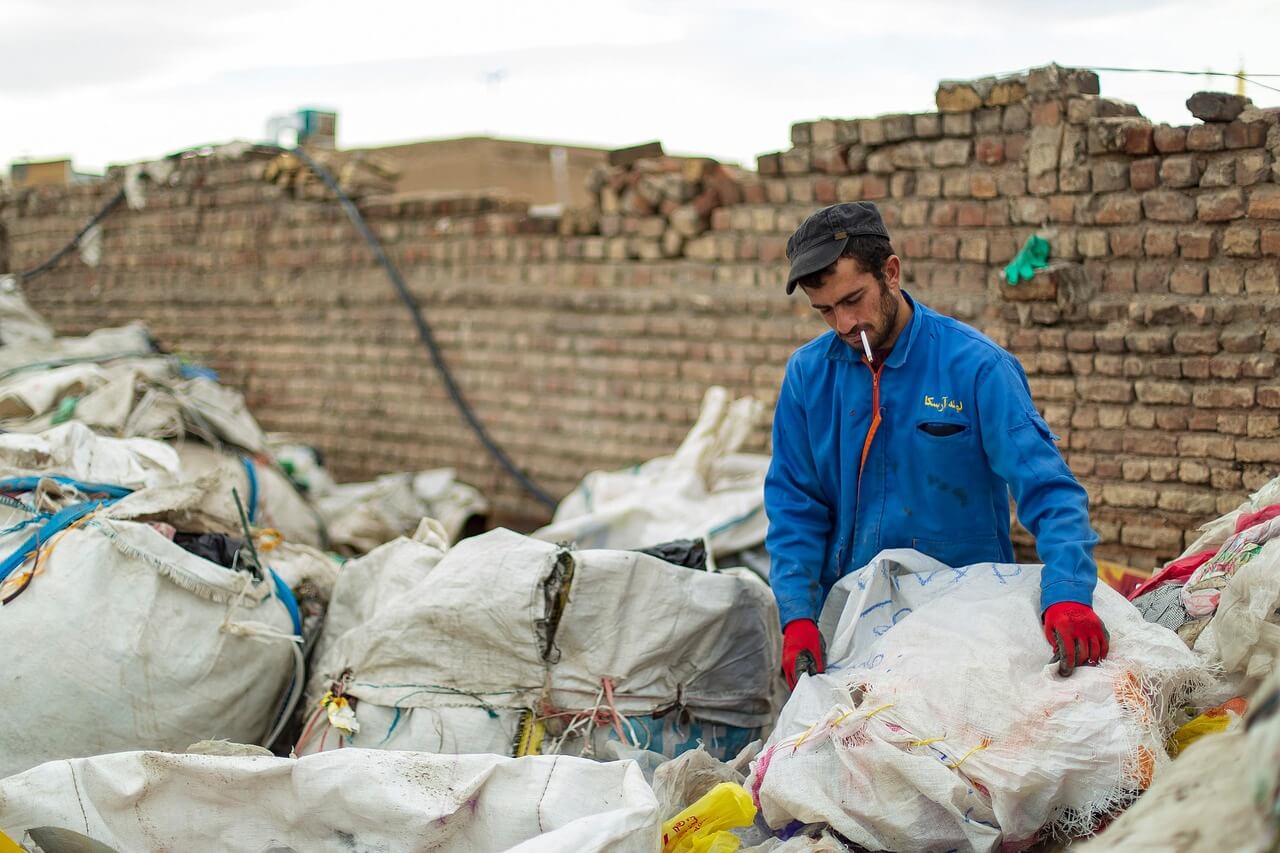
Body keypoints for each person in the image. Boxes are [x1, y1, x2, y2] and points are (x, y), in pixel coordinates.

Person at [765, 201, 1107, 689]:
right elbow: (795, 505)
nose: (843, 324)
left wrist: (1069, 592)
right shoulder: (807, 375)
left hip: (964, 628)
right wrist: (797, 614)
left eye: (853, 300)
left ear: (891, 273)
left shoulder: (977, 367)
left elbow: (1049, 489)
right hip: (850, 627)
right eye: (825, 311)